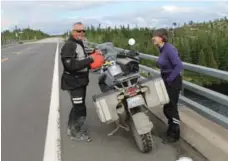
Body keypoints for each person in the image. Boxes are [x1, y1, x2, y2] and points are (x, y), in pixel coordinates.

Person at [60, 22, 103, 142]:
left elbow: (81, 56)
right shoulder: (69, 45)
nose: (81, 33)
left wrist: (93, 52)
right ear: (73, 32)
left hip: (80, 81)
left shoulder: (78, 43)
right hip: (73, 82)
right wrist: (90, 59)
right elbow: (70, 65)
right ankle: (75, 133)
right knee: (79, 108)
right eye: (79, 31)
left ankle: (72, 128)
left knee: (77, 107)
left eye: (83, 31)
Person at [152, 28, 184, 142]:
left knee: (171, 108)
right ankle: (171, 129)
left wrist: (169, 79)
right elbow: (165, 63)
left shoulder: (168, 48)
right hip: (167, 80)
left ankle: (175, 134)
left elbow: (179, 66)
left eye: (155, 36)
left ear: (161, 38)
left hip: (173, 81)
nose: (153, 38)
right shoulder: (162, 49)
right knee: (167, 107)